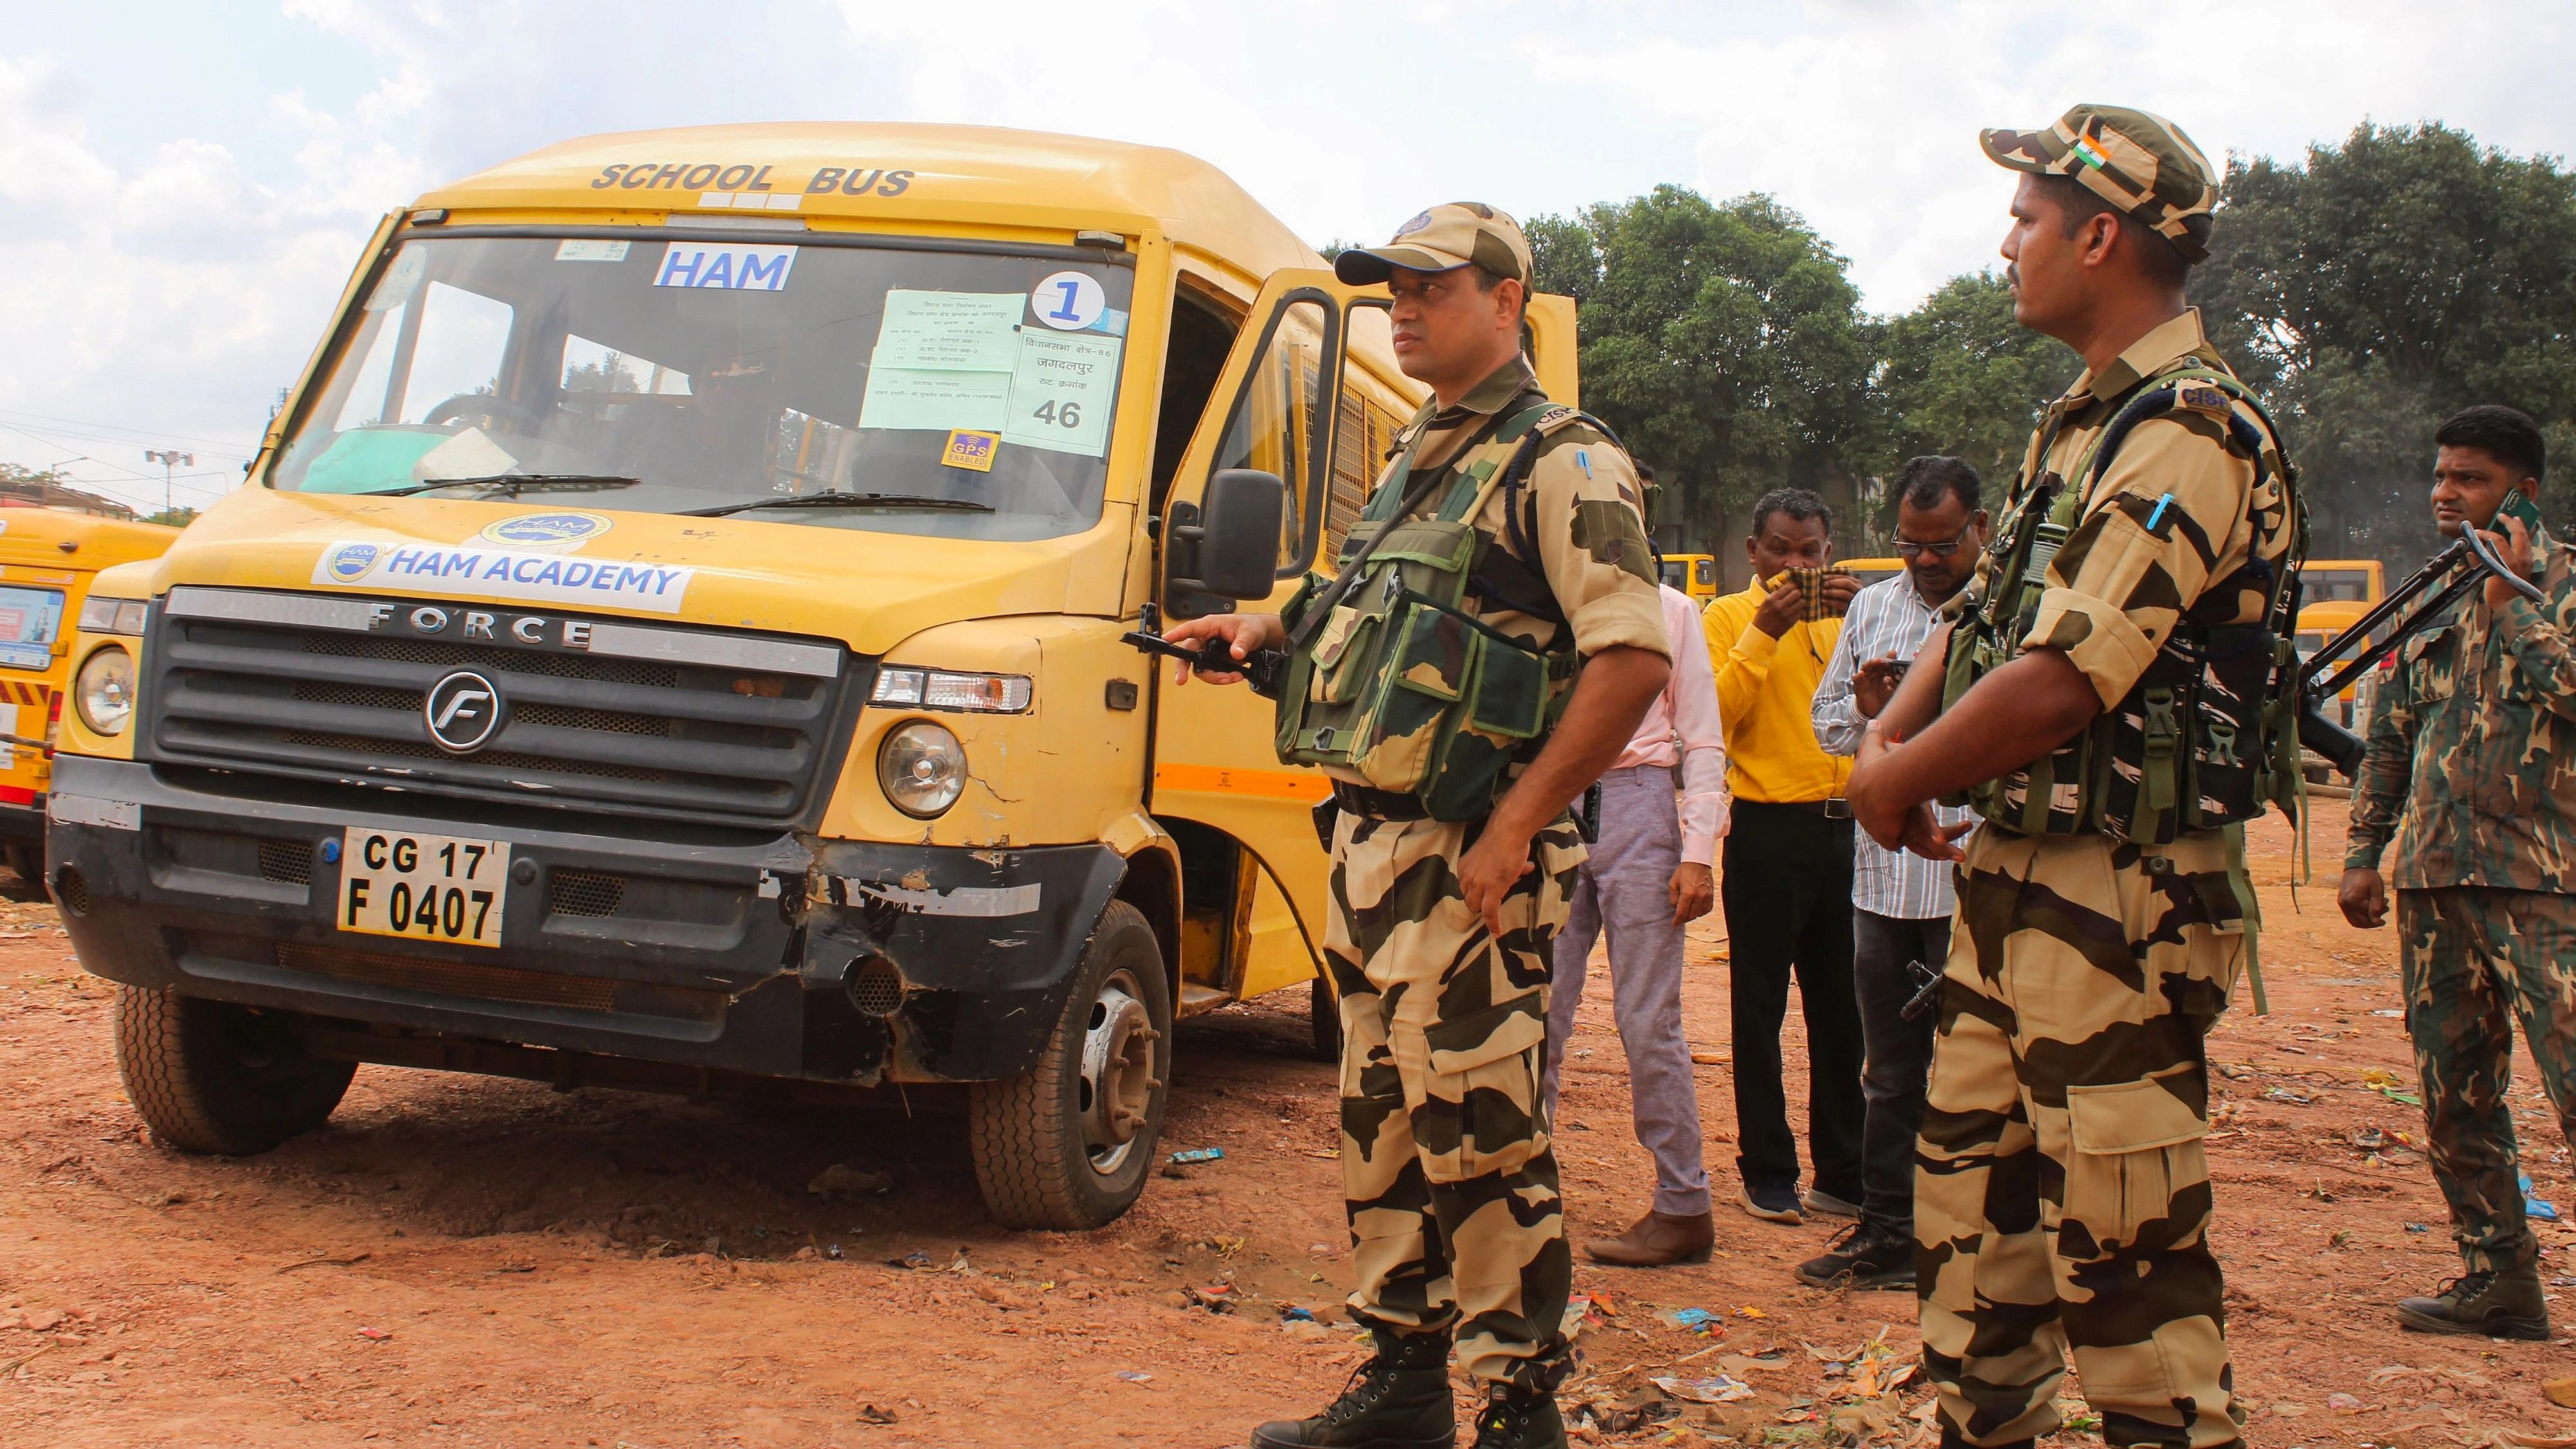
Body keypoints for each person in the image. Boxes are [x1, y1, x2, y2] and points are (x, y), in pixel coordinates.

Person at [1167, 203, 1670, 1449]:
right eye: (1389, 285)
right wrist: (1259, 630)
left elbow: (1628, 656)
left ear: (1504, 301)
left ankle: (1513, 1410)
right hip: (1372, 849)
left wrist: (1513, 825)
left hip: (1469, 860)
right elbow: (1351, 598)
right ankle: (1399, 1383)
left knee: (1480, 1137)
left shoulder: (1565, 457)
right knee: (1382, 1121)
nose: (1398, 304)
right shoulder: (1418, 455)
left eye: (1428, 286)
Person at [1848, 105, 2292, 1449]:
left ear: (2098, 234)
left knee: (2122, 1263)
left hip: (2120, 899)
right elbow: (1975, 616)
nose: (2005, 245)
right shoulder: (2079, 431)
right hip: (2012, 887)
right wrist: (1890, 748)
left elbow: (2063, 675)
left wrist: (1888, 782)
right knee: (1971, 1235)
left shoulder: (2191, 432)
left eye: (2025, 220)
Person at [2339, 404, 2576, 1342]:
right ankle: (2496, 1280)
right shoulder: (2431, 594)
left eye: (2467, 478)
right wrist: (2364, 854)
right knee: (2453, 1097)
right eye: (2438, 476)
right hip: (2433, 884)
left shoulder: (2560, 586)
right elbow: (2390, 734)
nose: (2443, 493)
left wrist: (2512, 605)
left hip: (2543, 886)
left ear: (2519, 489)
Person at [1796, 456, 1986, 1290]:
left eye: (1940, 543)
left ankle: (1977, 1242)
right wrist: (1870, 711)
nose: (1921, 560)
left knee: (1981, 1069)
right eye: (1908, 544)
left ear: (1978, 528)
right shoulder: (1872, 609)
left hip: (1972, 881)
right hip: (1880, 885)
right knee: (1889, 1072)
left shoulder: (2009, 616)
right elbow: (1826, 724)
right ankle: (1887, 1233)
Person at [1539, 572, 1728, 1266]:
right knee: (1539, 1007)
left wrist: (1698, 850)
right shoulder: (1548, 598)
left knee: (1648, 1017)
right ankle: (1521, 1188)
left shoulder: (1671, 610)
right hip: (1550, 799)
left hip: (1638, 800)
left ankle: (1683, 1204)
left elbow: (1702, 738)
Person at [1701, 489, 1865, 1225]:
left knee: (1844, 1010)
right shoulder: (1726, 618)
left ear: (1828, 553)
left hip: (1852, 830)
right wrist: (1763, 633)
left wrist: (1869, 632)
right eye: (1778, 550)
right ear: (1751, 551)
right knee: (1759, 1006)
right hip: (1768, 831)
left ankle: (1843, 1169)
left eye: (1808, 552)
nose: (1793, 566)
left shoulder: (1852, 617)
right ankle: (1766, 1169)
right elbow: (1712, 719)